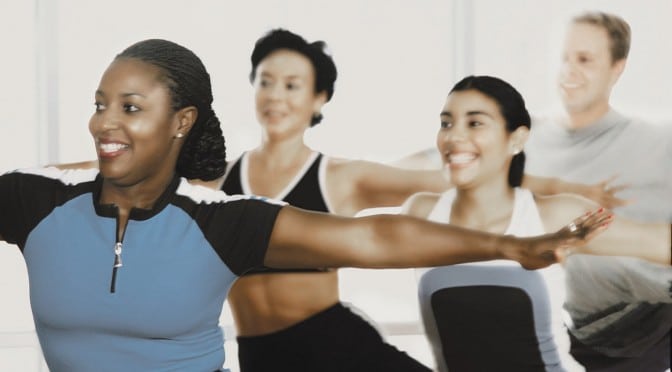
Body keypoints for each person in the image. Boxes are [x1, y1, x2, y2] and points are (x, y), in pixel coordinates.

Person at [0, 39, 610, 372]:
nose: (105, 120)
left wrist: (516, 240)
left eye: (130, 107)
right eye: (99, 103)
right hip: (265, 356)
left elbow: (377, 236)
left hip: (331, 343)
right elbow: (114, 164)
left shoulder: (242, 213)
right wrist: (69, 168)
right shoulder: (207, 180)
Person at [401, 75, 671, 372]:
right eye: (446, 123)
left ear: (516, 139)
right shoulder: (422, 211)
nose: (453, 136)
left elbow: (660, 242)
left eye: (475, 123)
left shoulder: (554, 215)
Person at [523, 11, 672, 371]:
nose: (569, 70)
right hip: (570, 332)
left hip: (653, 324)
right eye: (563, 57)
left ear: (617, 67)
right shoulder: (519, 142)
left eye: (586, 59)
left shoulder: (656, 143)